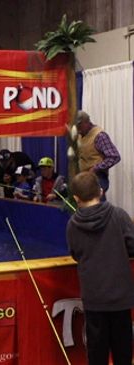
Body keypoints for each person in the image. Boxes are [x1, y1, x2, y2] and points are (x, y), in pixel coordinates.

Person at [66, 171, 134, 365]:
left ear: (77, 198)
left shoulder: (72, 225)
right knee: (123, 352)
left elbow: (75, 254)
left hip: (94, 299)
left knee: (96, 353)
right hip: (120, 298)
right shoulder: (119, 215)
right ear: (101, 191)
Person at [75, 110, 120, 200]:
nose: (77, 128)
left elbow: (114, 156)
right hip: (84, 177)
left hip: (98, 178)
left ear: (86, 122)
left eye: (79, 125)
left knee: (97, 206)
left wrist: (96, 168)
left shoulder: (100, 136)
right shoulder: (80, 135)